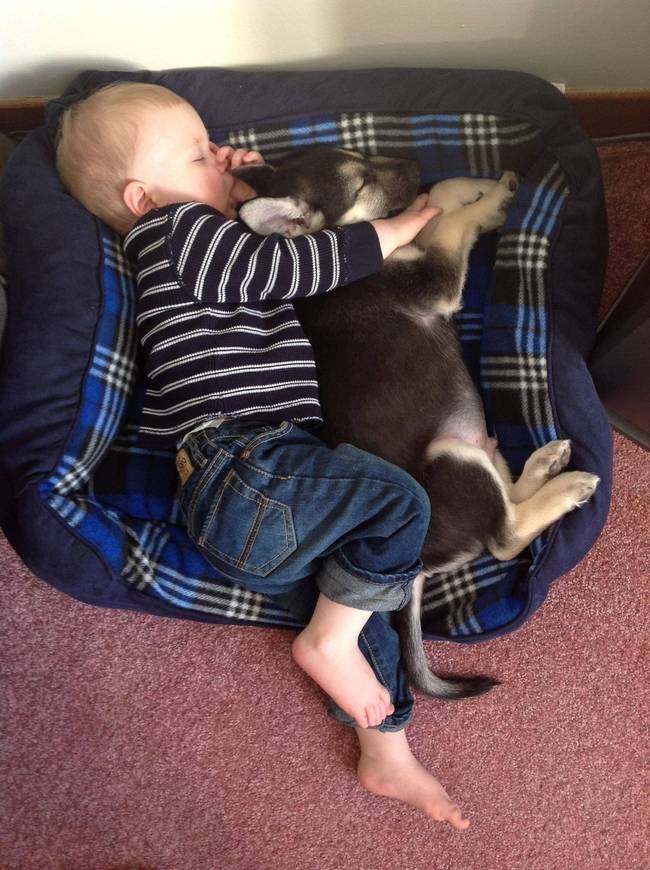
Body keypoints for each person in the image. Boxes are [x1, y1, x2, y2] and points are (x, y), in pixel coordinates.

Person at [55, 81, 470, 830]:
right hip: (249, 464)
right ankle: (330, 650)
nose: (218, 156)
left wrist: (238, 181)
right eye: (198, 152)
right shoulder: (175, 234)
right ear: (144, 196)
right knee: (400, 503)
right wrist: (397, 231)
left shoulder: (188, 244)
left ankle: (388, 751)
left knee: (355, 606)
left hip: (250, 508)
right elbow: (288, 267)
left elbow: (256, 238)